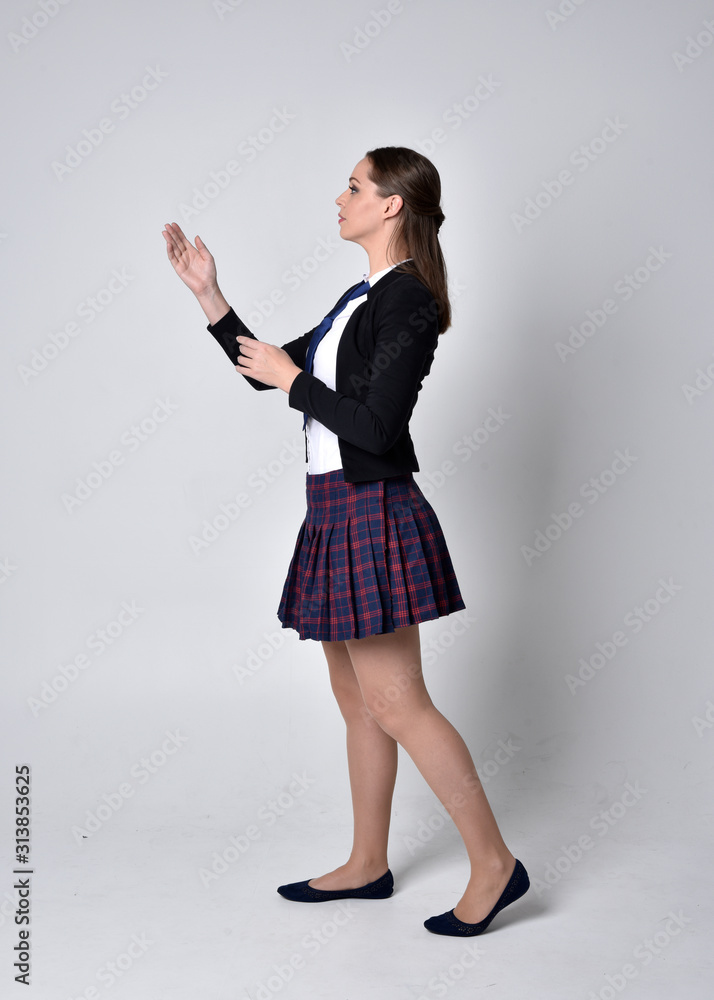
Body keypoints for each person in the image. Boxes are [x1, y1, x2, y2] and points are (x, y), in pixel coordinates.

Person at [162, 146, 529, 936]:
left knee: (400, 704)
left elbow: (374, 424)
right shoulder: (357, 297)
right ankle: (368, 864)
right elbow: (268, 371)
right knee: (358, 701)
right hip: (331, 508)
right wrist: (210, 297)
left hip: (373, 509)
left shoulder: (409, 303)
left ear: (392, 205)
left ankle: (495, 865)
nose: (341, 196)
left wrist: (296, 382)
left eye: (355, 186)